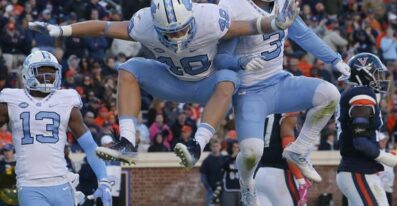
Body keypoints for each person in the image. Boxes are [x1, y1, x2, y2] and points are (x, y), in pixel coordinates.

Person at [29, 0, 301, 166]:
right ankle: (127, 142)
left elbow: (249, 26)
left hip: (208, 84)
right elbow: (103, 27)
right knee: (129, 68)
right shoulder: (144, 23)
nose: (177, 36)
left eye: (181, 29)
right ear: (156, 25)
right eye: (169, 32)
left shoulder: (209, 18)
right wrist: (61, 30)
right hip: (173, 80)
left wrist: (275, 22)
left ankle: (196, 146)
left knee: (229, 78)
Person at [215, 0, 350, 206]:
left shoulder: (282, 4)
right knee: (251, 153)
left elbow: (303, 35)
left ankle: (299, 149)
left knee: (330, 94)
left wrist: (334, 60)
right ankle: (247, 183)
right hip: (250, 92)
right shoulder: (235, 6)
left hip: (279, 82)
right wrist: (241, 61)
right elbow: (220, 58)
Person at [0, 50, 112, 206]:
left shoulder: (66, 101)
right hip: (31, 188)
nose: (47, 77)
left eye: (51, 72)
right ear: (28, 73)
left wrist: (104, 178)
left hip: (62, 188)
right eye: (41, 71)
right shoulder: (10, 101)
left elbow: (90, 146)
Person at [335, 53, 397, 206]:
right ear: (365, 74)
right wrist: (385, 157)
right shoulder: (362, 94)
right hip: (359, 171)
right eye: (376, 73)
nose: (380, 78)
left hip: (353, 170)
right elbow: (361, 143)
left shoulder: (356, 93)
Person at [252, 113, 316, 206]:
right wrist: (300, 178)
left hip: (262, 173)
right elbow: (289, 149)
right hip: (282, 174)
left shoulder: (265, 113)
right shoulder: (287, 111)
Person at [90, 135, 122, 206]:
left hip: (115, 192)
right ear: (103, 145)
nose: (111, 146)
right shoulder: (98, 158)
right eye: (108, 144)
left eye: (111, 144)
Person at [220, 140, 249, 206]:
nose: (236, 149)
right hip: (228, 189)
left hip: (242, 190)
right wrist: (233, 156)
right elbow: (222, 166)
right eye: (234, 147)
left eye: (238, 147)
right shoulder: (225, 157)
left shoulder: (243, 159)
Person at [200, 139, 225, 206]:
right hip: (211, 191)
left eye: (217, 146)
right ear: (211, 147)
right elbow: (203, 177)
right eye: (213, 146)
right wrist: (209, 189)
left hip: (224, 190)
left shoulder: (224, 159)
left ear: (220, 146)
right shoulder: (207, 160)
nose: (215, 148)